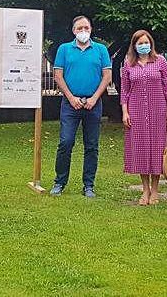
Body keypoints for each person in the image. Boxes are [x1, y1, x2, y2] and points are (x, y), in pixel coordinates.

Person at [50, 15, 112, 198]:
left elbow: (107, 76)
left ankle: (89, 185)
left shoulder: (100, 50)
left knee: (91, 146)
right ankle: (59, 182)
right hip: (70, 104)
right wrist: (70, 98)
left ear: (91, 29)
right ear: (73, 31)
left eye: (86, 28)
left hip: (93, 103)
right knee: (65, 142)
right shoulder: (64, 49)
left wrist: (94, 98)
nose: (83, 31)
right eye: (79, 28)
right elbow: (58, 76)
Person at [120, 30, 167, 205]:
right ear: (134, 45)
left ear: (151, 43)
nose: (144, 45)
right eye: (140, 43)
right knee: (141, 148)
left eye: (146, 42)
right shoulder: (129, 64)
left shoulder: (161, 61)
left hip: (159, 110)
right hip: (136, 111)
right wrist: (125, 112)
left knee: (158, 148)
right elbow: (124, 91)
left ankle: (156, 190)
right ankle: (145, 189)